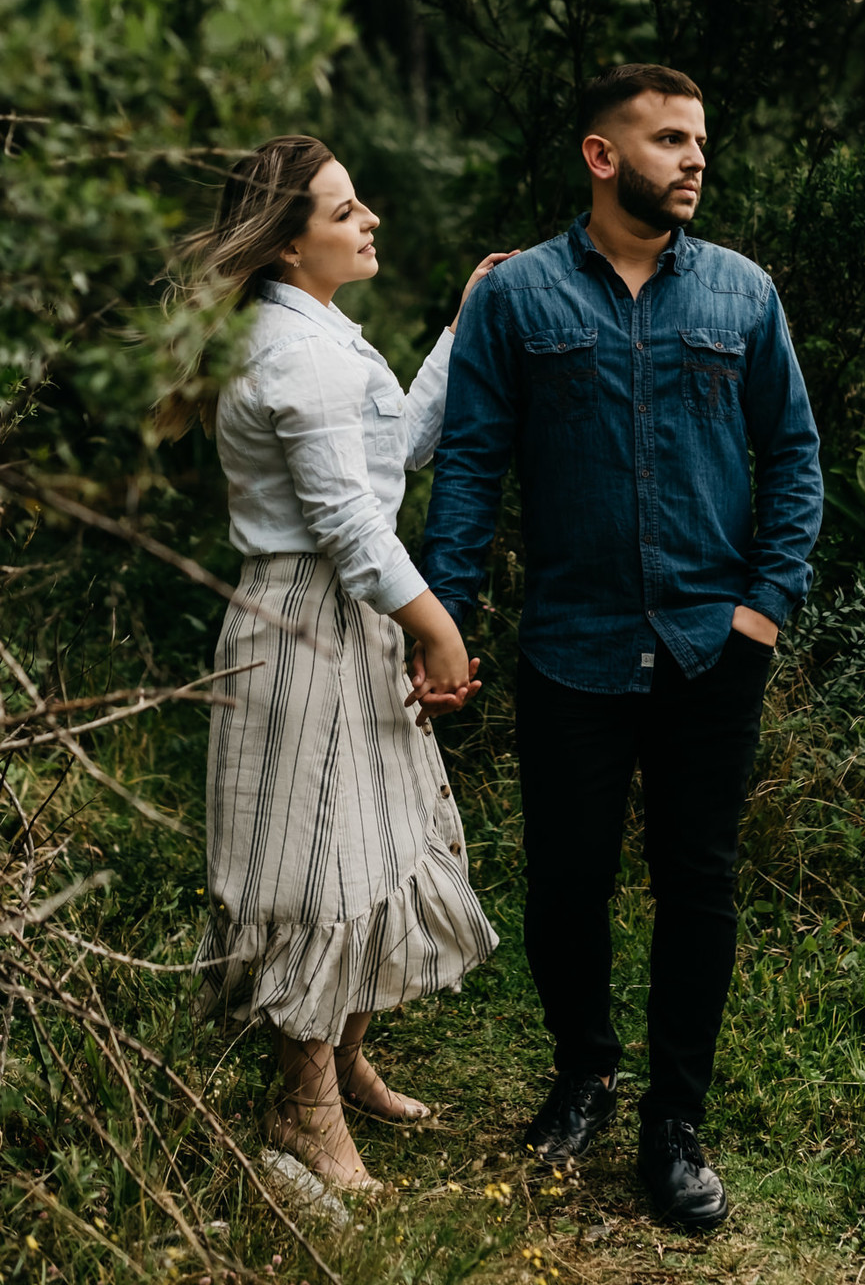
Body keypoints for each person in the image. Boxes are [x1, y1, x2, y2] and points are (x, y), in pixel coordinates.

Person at [417, 65, 823, 1228]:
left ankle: (675, 1118)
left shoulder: (743, 296)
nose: (695, 158)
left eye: (701, 139)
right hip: (570, 650)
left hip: (711, 646)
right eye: (669, 139)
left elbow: (794, 457)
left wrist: (764, 609)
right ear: (602, 157)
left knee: (700, 883)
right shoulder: (518, 299)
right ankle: (585, 1071)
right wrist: (444, 618)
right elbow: (473, 471)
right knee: (567, 881)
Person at [159, 135, 511, 1193]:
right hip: (306, 620)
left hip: (347, 614)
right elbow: (349, 523)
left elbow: (392, 447)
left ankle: (345, 1061)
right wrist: (437, 625)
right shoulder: (293, 350)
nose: (369, 223)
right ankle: (301, 1112)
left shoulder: (313, 332)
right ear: (285, 243)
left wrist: (460, 325)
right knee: (311, 870)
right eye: (346, 211)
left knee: (375, 840)